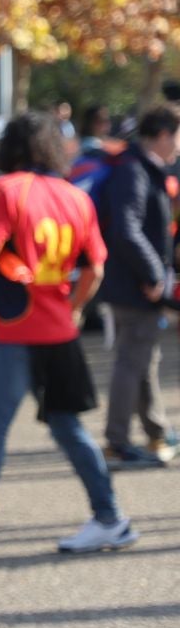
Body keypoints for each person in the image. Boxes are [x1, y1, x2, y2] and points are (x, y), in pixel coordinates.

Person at [0, 111, 135, 563]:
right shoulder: (75, 197)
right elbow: (96, 267)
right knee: (67, 427)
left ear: (9, 148)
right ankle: (110, 517)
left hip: (14, 330)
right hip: (58, 328)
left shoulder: (6, 190)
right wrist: (72, 310)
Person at [97, 104, 180, 467]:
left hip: (133, 283)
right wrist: (153, 275)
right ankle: (117, 442)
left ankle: (156, 430)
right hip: (134, 286)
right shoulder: (134, 171)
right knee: (132, 362)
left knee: (144, 358)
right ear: (162, 135)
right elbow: (126, 229)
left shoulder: (140, 168)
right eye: (178, 136)